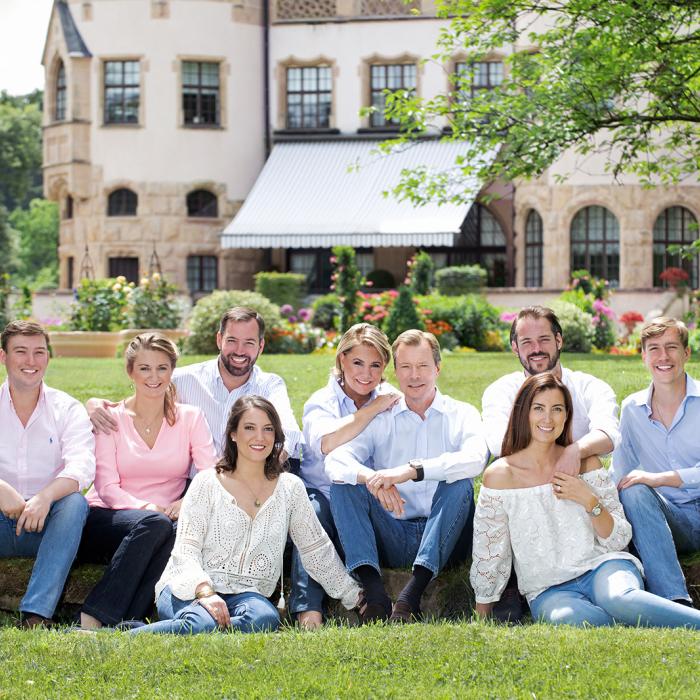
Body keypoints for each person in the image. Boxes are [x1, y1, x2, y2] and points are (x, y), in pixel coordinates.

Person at [471, 372, 700, 629]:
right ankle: (651, 621)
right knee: (568, 619)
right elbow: (490, 549)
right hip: (548, 589)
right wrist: (482, 612)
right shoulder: (500, 476)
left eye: (557, 409)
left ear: (566, 416)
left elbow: (618, 538)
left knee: (618, 598)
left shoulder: (587, 463)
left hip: (603, 566)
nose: (548, 418)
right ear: (524, 413)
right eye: (539, 408)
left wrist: (588, 499)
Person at [129, 395, 361, 635]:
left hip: (248, 596)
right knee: (205, 620)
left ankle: (191, 629)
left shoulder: (290, 488)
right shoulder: (207, 482)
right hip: (190, 587)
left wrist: (355, 596)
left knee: (264, 618)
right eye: (249, 428)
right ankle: (131, 637)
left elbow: (315, 549)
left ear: (276, 436)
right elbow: (186, 551)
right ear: (233, 433)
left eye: (268, 429)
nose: (259, 437)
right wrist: (206, 593)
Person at [326, 329, 488, 623]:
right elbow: (336, 460)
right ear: (396, 372)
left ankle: (410, 596)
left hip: (446, 534)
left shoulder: (461, 413)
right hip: (393, 533)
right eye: (406, 367)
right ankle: (375, 596)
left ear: (438, 368)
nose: (414, 375)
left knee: (460, 483)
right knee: (343, 487)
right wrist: (373, 480)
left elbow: (476, 459)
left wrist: (412, 471)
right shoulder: (382, 417)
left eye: (423, 366)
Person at [481, 305, 620, 620]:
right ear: (515, 348)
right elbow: (498, 444)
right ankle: (511, 590)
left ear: (559, 340)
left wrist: (575, 451)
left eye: (544, 339)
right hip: (533, 503)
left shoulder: (589, 386)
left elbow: (610, 433)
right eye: (526, 342)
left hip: (582, 503)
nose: (536, 349)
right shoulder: (501, 391)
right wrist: (550, 458)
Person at [78, 333, 218, 629]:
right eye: (144, 368)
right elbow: (106, 487)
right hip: (108, 516)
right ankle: (92, 618)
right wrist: (147, 507)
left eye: (162, 368)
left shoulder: (191, 418)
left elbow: (209, 474)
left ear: (172, 371)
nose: (153, 377)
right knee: (157, 524)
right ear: (130, 371)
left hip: (163, 520)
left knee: (177, 532)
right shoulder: (110, 418)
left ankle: (128, 622)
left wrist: (184, 503)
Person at [87, 306, 302, 462]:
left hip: (250, 479)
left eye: (249, 343)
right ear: (219, 340)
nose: (239, 351)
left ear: (261, 346)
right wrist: (94, 404)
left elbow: (289, 434)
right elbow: (143, 396)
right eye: (232, 341)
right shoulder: (183, 379)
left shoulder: (270, 385)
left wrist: (257, 473)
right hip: (196, 482)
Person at [292, 323, 400, 629]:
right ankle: (308, 610)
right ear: (341, 360)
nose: (366, 374)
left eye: (375, 365)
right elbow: (327, 443)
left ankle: (370, 592)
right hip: (323, 491)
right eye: (357, 363)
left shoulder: (389, 399)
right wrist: (370, 410)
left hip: (367, 494)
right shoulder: (321, 401)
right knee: (312, 517)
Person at [0, 320, 95, 628]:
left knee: (74, 504)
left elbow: (81, 466)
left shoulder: (66, 408)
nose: (31, 361)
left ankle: (36, 614)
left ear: (48, 358)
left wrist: (44, 498)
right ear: (3, 357)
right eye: (21, 352)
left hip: (47, 526)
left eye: (39, 352)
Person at [613, 317, 700, 606]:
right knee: (633, 489)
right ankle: (675, 600)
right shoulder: (632, 409)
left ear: (686, 353)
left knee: (642, 483)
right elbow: (620, 471)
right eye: (654, 349)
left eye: (672, 347)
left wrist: (658, 478)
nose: (663, 357)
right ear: (643, 356)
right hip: (670, 517)